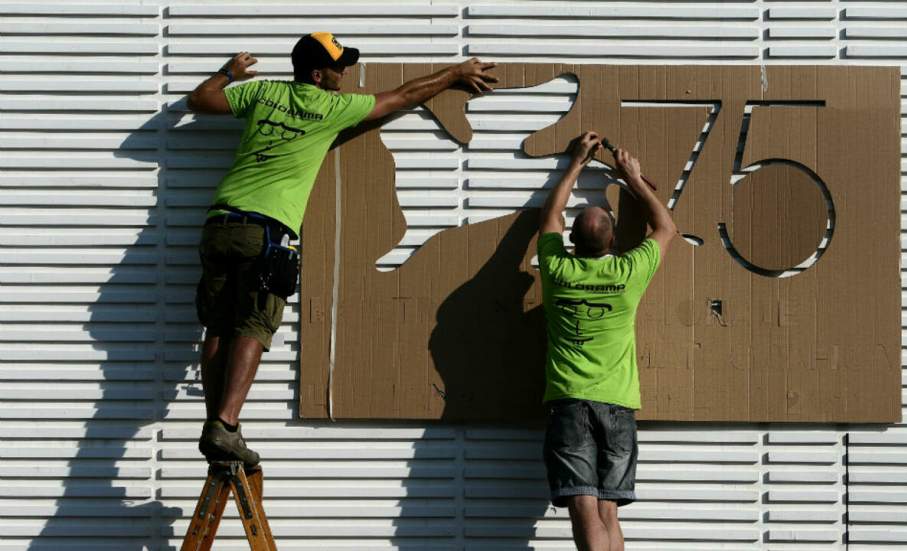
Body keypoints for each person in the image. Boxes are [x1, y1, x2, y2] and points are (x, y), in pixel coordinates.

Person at [185, 32, 497, 466]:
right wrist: (455, 74)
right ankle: (227, 424)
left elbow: (198, 101)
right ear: (318, 73)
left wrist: (229, 74)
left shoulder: (261, 92)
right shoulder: (331, 108)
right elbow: (405, 95)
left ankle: (214, 428)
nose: (344, 73)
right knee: (255, 324)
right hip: (268, 230)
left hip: (220, 222)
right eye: (338, 66)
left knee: (217, 327)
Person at [537, 131, 676, 551]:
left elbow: (550, 218)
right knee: (608, 509)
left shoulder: (558, 272)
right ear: (613, 242)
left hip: (571, 402)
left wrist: (576, 161)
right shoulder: (629, 273)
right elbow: (665, 227)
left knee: (584, 505)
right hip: (619, 405)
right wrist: (632, 177)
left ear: (571, 244)